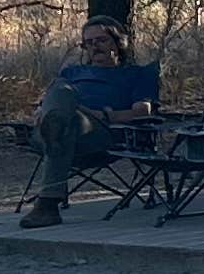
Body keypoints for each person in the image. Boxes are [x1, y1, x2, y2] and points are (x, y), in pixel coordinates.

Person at [18, 18, 160, 225]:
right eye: (89, 43)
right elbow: (46, 103)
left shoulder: (135, 75)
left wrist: (103, 115)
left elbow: (142, 111)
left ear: (118, 42)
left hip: (100, 133)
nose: (95, 47)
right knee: (61, 94)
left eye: (101, 40)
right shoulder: (71, 73)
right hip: (58, 130)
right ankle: (46, 206)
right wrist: (42, 111)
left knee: (67, 118)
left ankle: (48, 205)